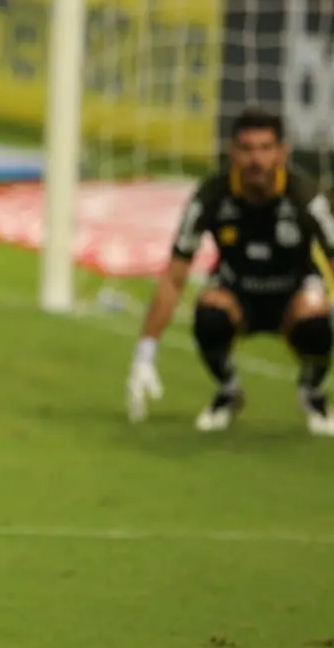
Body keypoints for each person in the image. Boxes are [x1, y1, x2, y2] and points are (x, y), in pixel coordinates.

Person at [128, 108, 334, 434]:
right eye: (247, 148)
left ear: (283, 151)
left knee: (319, 320)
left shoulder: (306, 197)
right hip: (237, 292)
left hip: (294, 294)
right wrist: (145, 353)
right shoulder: (212, 195)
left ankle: (311, 392)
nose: (256, 160)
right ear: (232, 151)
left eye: (266, 148)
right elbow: (174, 275)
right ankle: (229, 390)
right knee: (209, 314)